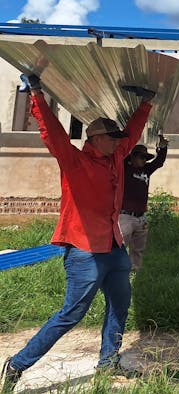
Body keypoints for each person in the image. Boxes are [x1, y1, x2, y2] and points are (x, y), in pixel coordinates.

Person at [1, 74, 155, 391]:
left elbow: (133, 132)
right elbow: (52, 133)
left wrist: (146, 104)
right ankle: (17, 364)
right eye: (112, 137)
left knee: (120, 305)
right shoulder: (74, 160)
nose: (118, 141)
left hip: (114, 248)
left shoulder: (116, 156)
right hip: (84, 250)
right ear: (94, 138)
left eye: (118, 138)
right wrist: (37, 94)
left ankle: (108, 363)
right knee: (71, 314)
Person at [120, 136, 169, 272]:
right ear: (132, 157)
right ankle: (119, 271)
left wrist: (163, 147)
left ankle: (134, 270)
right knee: (120, 247)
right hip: (125, 216)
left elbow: (158, 162)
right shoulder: (124, 168)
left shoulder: (146, 170)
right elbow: (120, 155)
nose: (144, 160)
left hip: (141, 217)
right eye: (141, 157)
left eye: (145, 158)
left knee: (138, 248)